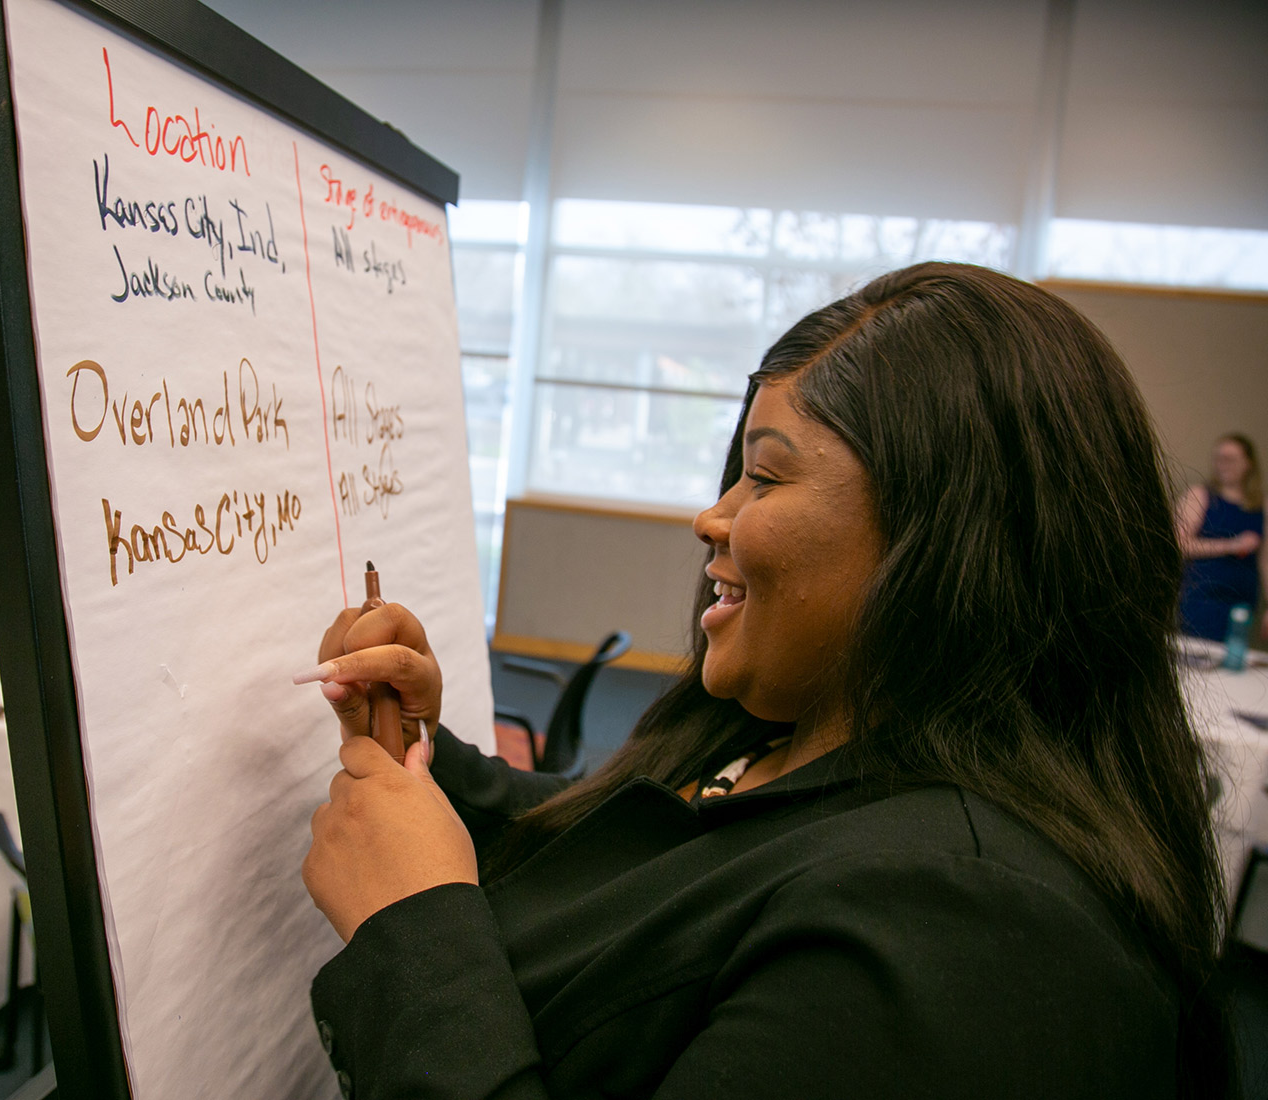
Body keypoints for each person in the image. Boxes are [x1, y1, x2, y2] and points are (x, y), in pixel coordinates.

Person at [297, 263, 1230, 1099]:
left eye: (766, 479)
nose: (713, 517)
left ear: (945, 544)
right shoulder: (789, 742)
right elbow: (639, 862)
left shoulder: (962, 935)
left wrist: (416, 934)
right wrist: (422, 756)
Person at [1176, 433, 1265, 643]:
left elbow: (1265, 561)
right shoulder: (1199, 495)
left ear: (1248, 463)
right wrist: (1231, 545)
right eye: (1219, 459)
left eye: (1231, 459)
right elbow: (1180, 543)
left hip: (1242, 603)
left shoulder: (1261, 506)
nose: (1223, 465)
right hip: (1202, 597)